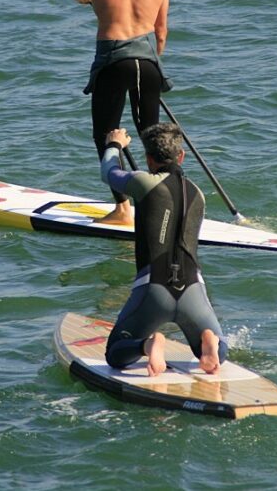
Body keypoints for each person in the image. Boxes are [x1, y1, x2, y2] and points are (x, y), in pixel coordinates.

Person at [99, 123, 228, 377]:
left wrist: (115, 145)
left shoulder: (144, 182)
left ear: (148, 159)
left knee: (115, 353)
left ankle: (148, 344)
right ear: (181, 156)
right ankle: (209, 342)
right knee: (219, 353)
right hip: (193, 287)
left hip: (153, 288)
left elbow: (108, 172)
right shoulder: (198, 194)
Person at [74, 0, 172, 225]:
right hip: (149, 64)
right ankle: (163, 202)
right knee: (153, 137)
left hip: (113, 62)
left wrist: (94, 0)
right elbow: (161, 34)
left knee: (105, 135)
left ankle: (122, 209)